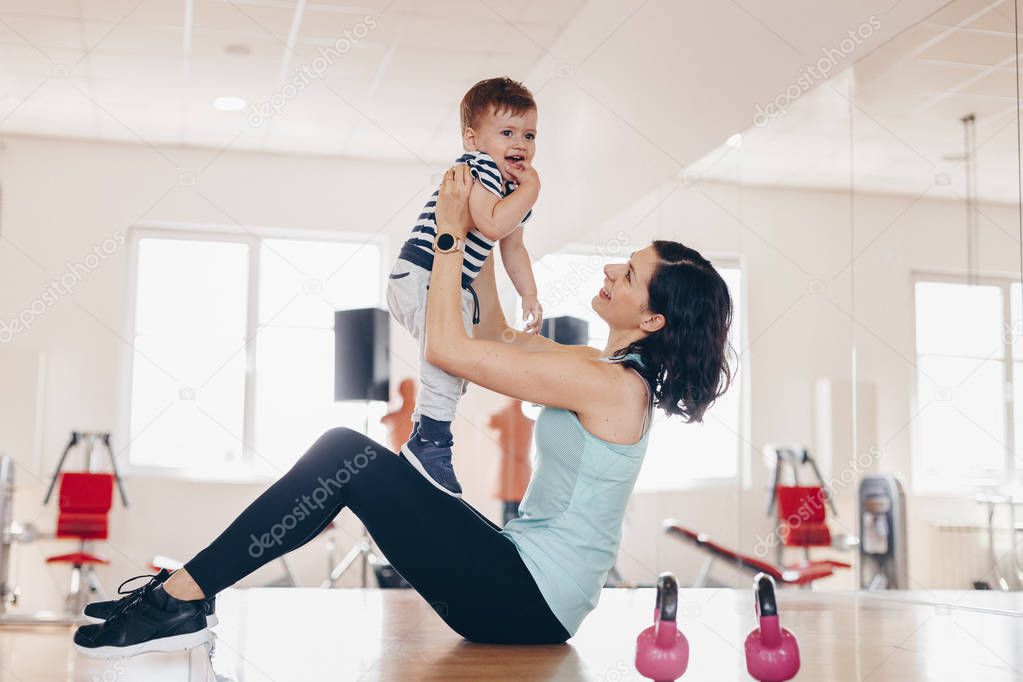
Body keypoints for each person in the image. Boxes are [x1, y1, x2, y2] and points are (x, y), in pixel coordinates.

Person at [72, 165, 734, 658]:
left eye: (631, 272)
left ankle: (179, 599)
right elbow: (495, 333)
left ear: (650, 317)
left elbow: (448, 346)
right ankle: (183, 596)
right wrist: (479, 235)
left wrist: (446, 238)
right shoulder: (601, 369)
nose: (614, 267)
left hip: (527, 600)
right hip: (523, 580)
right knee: (344, 466)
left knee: (344, 455)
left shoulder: (610, 386)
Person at [387, 76, 542, 497]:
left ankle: (427, 430)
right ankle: (431, 440)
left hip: (446, 284)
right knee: (448, 354)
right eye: (507, 132)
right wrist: (534, 187)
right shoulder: (478, 168)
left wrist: (528, 292)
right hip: (421, 274)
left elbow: (513, 246)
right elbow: (491, 223)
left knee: (457, 360)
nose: (520, 144)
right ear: (473, 139)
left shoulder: (511, 189)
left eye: (529, 134)